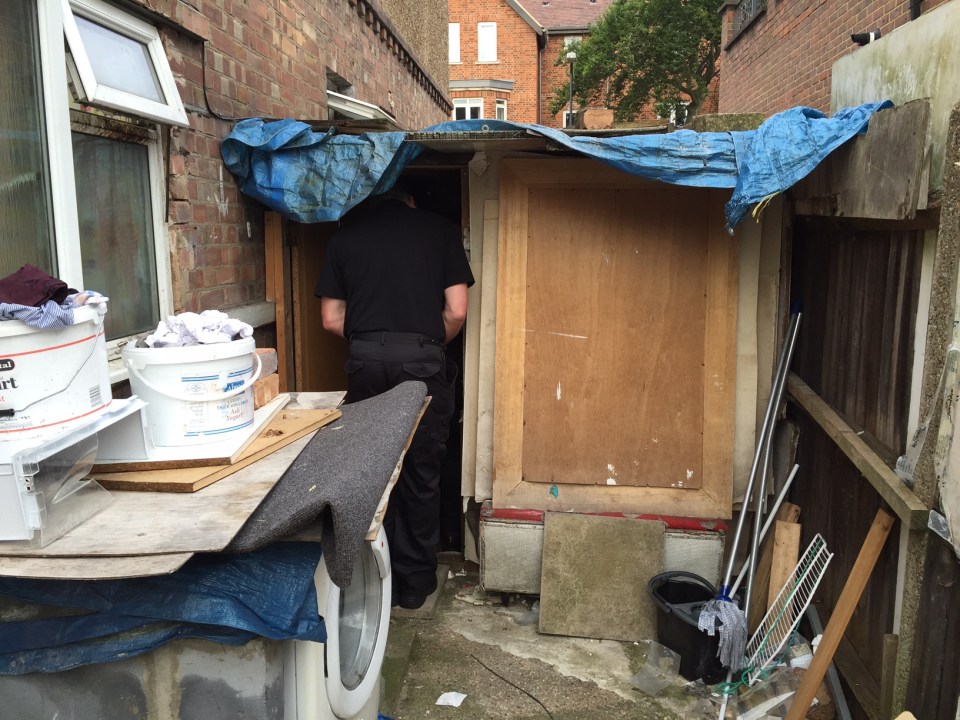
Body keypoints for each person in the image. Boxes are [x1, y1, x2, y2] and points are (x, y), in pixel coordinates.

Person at [315, 184, 474, 610]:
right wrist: (424, 343)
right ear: (412, 199)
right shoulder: (440, 231)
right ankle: (413, 587)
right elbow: (457, 310)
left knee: (370, 466)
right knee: (421, 471)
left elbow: (331, 319)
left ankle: (365, 578)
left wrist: (373, 336)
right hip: (422, 362)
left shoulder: (345, 236)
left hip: (364, 361)